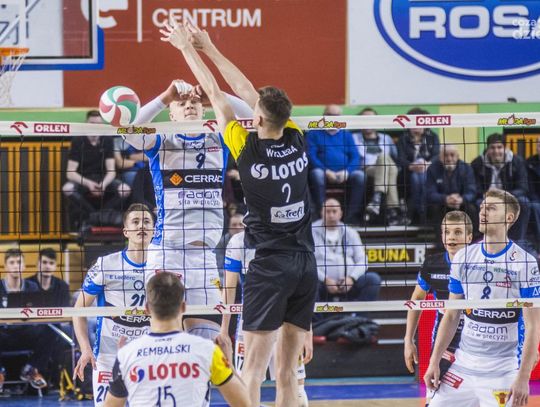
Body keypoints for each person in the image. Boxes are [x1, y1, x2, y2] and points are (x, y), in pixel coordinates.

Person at [160, 23, 318, 406]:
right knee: (287, 375)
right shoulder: (297, 139)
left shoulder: (246, 150)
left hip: (269, 267)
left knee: (253, 372)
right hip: (305, 264)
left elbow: (216, 93)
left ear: (258, 120)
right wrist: (210, 47)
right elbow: (249, 92)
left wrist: (190, 48)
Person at [122, 78, 252, 342]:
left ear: (204, 109)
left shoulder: (220, 137)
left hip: (204, 257)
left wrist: (216, 94)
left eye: (194, 102)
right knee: (166, 335)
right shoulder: (162, 140)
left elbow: (251, 118)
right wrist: (165, 97)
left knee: (209, 341)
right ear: (171, 114)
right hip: (167, 253)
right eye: (181, 104)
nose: (189, 106)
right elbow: (128, 131)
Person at [424, 189, 540, 407]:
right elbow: (451, 315)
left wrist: (523, 377)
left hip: (502, 370)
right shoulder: (463, 257)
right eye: (482, 208)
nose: (483, 212)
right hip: (463, 366)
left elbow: (533, 325)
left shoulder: (525, 263)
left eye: (491, 208)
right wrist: (434, 362)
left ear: (509, 218)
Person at [103, 272, 249, 407]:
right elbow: (244, 404)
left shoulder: (126, 355)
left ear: (146, 308)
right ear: (184, 307)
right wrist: (229, 364)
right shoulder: (208, 351)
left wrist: (123, 359)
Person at [72, 203, 154, 407]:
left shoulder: (163, 266)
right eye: (135, 222)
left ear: (154, 230)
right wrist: (85, 349)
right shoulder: (106, 265)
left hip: (148, 354)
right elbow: (78, 311)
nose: (141, 226)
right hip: (108, 355)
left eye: (146, 221)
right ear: (126, 231)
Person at [222, 229, 311, 407]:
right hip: (251, 322)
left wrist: (307, 330)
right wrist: (224, 330)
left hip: (284, 320)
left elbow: (301, 289)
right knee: (249, 380)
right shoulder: (238, 241)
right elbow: (229, 289)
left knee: (296, 388)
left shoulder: (291, 237)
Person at [403, 210, 473, 405]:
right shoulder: (433, 264)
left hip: (478, 341)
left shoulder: (481, 264)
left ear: (469, 237)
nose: (451, 237)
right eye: (447, 232)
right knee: (435, 398)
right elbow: (417, 298)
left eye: (458, 232)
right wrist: (408, 339)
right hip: (446, 343)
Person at [62, 110, 131, 230]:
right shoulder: (78, 141)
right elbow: (70, 173)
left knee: (125, 189)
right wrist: (88, 183)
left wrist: (103, 184)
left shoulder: (107, 140)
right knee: (67, 189)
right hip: (83, 179)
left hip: (103, 179)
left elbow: (111, 171)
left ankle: (99, 216)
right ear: (86, 124)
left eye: (98, 124)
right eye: (92, 123)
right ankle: (94, 216)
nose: (95, 127)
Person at [312, 198, 381, 303]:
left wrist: (351, 278)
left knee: (373, 280)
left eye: (334, 211)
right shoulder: (311, 232)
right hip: (322, 284)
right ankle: (319, 314)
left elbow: (362, 260)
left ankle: (358, 313)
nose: (331, 215)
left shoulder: (351, 232)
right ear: (321, 213)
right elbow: (308, 263)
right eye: (327, 211)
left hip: (349, 284)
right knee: (308, 283)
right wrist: (325, 279)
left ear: (340, 214)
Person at [308, 104, 365, 224]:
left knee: (360, 176)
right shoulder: (313, 133)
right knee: (316, 174)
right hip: (323, 172)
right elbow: (311, 156)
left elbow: (355, 157)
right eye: (330, 115)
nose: (333, 118)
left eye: (337, 115)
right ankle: (320, 215)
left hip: (344, 173)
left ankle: (351, 217)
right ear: (324, 116)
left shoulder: (347, 135)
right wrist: (326, 171)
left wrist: (347, 172)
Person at [471, 133, 531, 248]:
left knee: (524, 202)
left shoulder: (517, 161)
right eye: (492, 148)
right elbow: (474, 188)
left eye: (499, 147)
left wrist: (505, 195)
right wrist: (484, 195)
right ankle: (483, 240)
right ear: (487, 149)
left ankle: (519, 241)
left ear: (505, 148)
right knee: (477, 204)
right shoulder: (477, 163)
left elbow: (523, 187)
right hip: (486, 198)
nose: (496, 151)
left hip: (508, 197)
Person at [0, 249, 46, 391]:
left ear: (24, 266)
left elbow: (38, 312)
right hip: (3, 334)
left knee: (51, 329)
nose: (15, 266)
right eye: (12, 262)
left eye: (19, 262)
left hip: (25, 333)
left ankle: (31, 369)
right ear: (5, 266)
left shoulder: (32, 287)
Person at [352, 107, 405, 225]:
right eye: (364, 119)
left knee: (386, 161)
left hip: (386, 168)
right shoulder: (354, 137)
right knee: (386, 161)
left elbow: (395, 158)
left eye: (371, 119)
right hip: (366, 169)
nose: (367, 123)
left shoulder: (386, 138)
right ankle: (392, 210)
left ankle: (377, 199)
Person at [426, 145, 478, 244]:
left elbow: (472, 191)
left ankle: (472, 243)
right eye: (445, 155)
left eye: (452, 155)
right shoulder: (432, 169)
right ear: (440, 157)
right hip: (442, 204)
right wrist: (445, 199)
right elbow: (430, 193)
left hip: (461, 203)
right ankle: (441, 245)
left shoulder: (466, 168)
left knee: (472, 208)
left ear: (457, 156)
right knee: (434, 208)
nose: (449, 158)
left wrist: (461, 199)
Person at [396, 108, 440, 223]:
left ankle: (417, 211)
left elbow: (437, 156)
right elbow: (400, 159)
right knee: (417, 177)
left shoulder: (433, 137)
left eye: (419, 122)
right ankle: (421, 210)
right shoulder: (403, 138)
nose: (416, 125)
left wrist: (427, 164)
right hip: (407, 173)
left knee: (421, 177)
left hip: (428, 170)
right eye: (413, 122)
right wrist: (411, 166)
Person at [526, 139, 540, 247]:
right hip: (536, 199)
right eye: (539, 145)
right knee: (535, 206)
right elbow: (529, 187)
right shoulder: (529, 163)